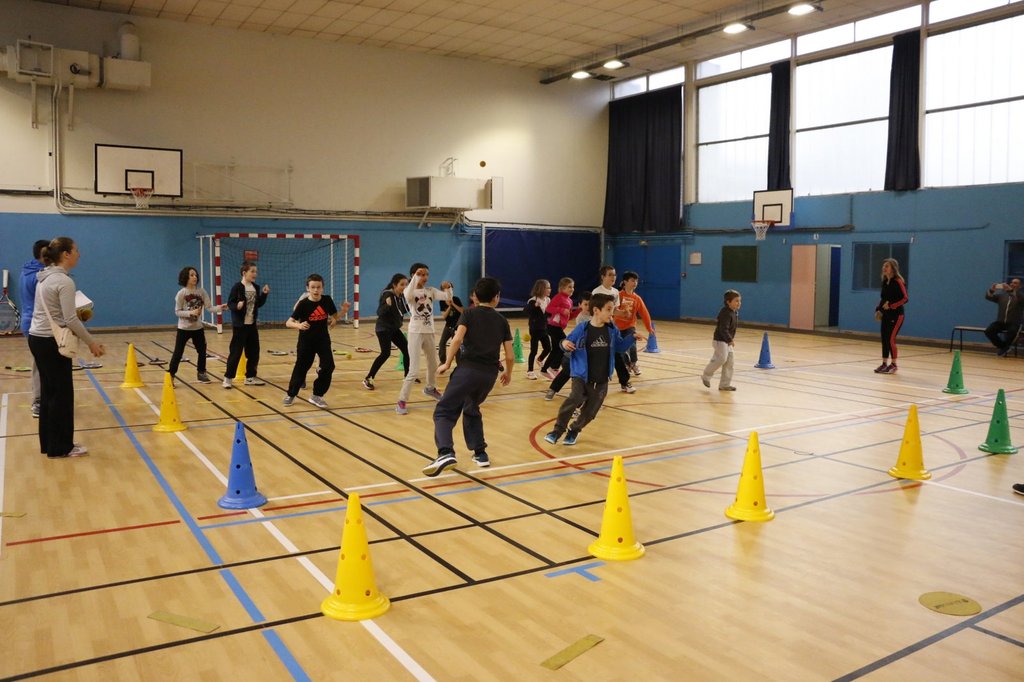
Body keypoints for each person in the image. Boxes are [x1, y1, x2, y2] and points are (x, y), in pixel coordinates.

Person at [422, 277, 513, 476]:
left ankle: (445, 452)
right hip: (488, 376)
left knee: (444, 411)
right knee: (471, 408)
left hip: (467, 371)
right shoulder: (502, 320)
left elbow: (457, 340)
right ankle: (480, 453)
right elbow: (510, 355)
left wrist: (447, 363)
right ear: (496, 297)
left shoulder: (469, 314)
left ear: (475, 296)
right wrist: (508, 373)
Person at [27, 237, 105, 458]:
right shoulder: (64, 281)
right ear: (66, 254)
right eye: (76, 250)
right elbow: (70, 320)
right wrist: (91, 342)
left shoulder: (43, 277)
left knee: (49, 393)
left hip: (37, 338)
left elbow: (60, 313)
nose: (79, 254)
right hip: (51, 342)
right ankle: (62, 447)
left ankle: (49, 444)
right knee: (61, 395)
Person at [543, 293, 638, 446]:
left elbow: (619, 347)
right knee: (574, 398)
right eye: (608, 309)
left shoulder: (612, 329)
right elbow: (566, 342)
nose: (612, 313)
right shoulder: (583, 328)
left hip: (601, 378)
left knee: (591, 411)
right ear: (596, 310)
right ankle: (557, 431)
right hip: (581, 375)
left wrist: (632, 337)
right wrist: (564, 344)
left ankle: (574, 430)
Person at [283, 273, 348, 407]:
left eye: (318, 287)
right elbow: (288, 322)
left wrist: (343, 311)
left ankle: (317, 395)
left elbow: (334, 317)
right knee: (301, 368)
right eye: (313, 287)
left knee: (329, 366)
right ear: (308, 288)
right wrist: (299, 325)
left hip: (323, 340)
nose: (316, 290)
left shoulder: (327, 300)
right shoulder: (303, 304)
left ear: (322, 288)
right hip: (306, 341)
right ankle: (291, 394)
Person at [397, 262, 452, 415]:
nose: (424, 277)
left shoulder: (430, 291)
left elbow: (447, 298)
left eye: (426, 274)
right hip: (415, 332)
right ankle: (402, 400)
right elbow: (407, 295)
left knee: (433, 364)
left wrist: (448, 288)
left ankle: (430, 388)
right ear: (413, 275)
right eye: (421, 274)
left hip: (429, 332)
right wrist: (416, 277)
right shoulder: (410, 291)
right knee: (413, 370)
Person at [168, 266, 226, 384]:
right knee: (178, 353)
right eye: (192, 275)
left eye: (195, 275)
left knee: (202, 351)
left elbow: (209, 308)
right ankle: (170, 375)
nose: (195, 277)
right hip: (183, 329)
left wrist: (221, 308)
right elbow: (177, 312)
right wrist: (190, 313)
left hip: (198, 328)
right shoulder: (181, 293)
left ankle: (201, 373)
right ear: (186, 277)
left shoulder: (202, 292)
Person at [363, 273, 410, 390]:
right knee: (385, 353)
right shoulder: (387, 294)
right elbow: (379, 312)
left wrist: (414, 304)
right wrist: (387, 305)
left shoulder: (400, 296)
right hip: (383, 329)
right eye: (402, 284)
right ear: (394, 285)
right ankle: (368, 378)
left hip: (394, 328)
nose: (404, 287)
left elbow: (401, 310)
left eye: (406, 284)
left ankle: (408, 376)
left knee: (407, 349)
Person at [19, 239, 49, 418]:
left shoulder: (26, 270)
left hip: (29, 322)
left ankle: (44, 398)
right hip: (35, 324)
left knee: (41, 362)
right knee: (39, 364)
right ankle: (38, 401)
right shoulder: (39, 276)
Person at [545, 290, 589, 400]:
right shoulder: (581, 318)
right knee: (567, 371)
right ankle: (553, 389)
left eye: (591, 304)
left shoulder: (596, 316)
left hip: (588, 351)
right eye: (586, 304)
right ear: (580, 305)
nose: (588, 307)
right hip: (576, 350)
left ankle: (585, 397)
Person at [614, 271, 655, 388]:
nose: (635, 283)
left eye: (636, 281)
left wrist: (649, 327)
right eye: (632, 280)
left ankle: (633, 364)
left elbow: (644, 313)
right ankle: (627, 365)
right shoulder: (618, 296)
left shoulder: (637, 298)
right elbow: (612, 309)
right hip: (617, 327)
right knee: (620, 350)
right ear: (625, 282)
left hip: (630, 326)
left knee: (632, 345)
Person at [701, 289, 741, 392]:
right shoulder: (725, 313)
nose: (739, 303)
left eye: (739, 301)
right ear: (728, 302)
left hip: (726, 341)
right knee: (722, 359)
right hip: (720, 340)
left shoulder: (734, 312)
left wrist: (729, 340)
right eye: (736, 301)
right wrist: (730, 339)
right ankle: (706, 375)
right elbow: (723, 329)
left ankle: (724, 385)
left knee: (730, 362)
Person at [539, 277, 580, 380]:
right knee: (564, 344)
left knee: (556, 349)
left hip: (558, 328)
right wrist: (561, 310)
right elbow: (549, 309)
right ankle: (554, 367)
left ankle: (544, 369)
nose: (572, 289)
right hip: (553, 326)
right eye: (569, 287)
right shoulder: (559, 297)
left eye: (573, 287)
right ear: (562, 288)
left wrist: (579, 310)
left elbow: (569, 316)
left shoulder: (569, 301)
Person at [874, 258, 907, 374]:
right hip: (886, 315)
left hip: (897, 315)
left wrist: (892, 305)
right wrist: (879, 309)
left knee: (890, 339)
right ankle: (884, 364)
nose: (884, 268)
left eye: (887, 266)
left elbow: (905, 298)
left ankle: (894, 364)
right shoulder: (885, 282)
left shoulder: (898, 281)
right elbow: (883, 299)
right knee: (884, 339)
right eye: (884, 266)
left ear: (893, 268)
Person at [984, 278, 1022, 357]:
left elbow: (1019, 298)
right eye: (1011, 282)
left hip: (1014, 322)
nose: (1012, 284)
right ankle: (1003, 347)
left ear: (1020, 286)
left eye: (1015, 283)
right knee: (989, 331)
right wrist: (992, 290)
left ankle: (1004, 348)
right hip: (1000, 321)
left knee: (1012, 332)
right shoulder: (1002, 296)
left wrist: (1010, 290)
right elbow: (988, 297)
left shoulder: (1020, 296)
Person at [525, 279, 552, 380]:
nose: (550, 289)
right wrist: (534, 306)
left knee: (548, 348)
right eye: (547, 288)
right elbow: (526, 310)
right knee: (533, 350)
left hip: (544, 328)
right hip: (535, 329)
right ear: (541, 289)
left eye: (549, 287)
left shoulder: (548, 300)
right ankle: (530, 371)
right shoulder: (533, 300)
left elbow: (548, 314)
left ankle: (540, 359)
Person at [437, 289, 465, 363]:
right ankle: (443, 361)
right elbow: (444, 316)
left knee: (456, 345)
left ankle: (459, 364)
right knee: (442, 343)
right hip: (448, 326)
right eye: (446, 291)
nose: (449, 292)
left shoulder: (456, 299)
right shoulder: (442, 301)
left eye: (450, 290)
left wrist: (453, 304)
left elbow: (462, 311)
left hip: (456, 326)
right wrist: (449, 307)